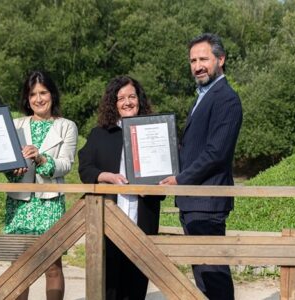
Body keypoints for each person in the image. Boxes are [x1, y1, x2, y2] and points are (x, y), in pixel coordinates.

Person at [160, 33, 243, 300]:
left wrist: (181, 179)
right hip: (193, 202)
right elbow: (194, 147)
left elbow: (216, 153)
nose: (197, 65)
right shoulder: (203, 96)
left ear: (220, 59)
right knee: (203, 275)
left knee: (213, 274)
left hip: (208, 201)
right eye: (193, 60)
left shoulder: (226, 98)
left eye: (203, 59)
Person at [78, 75, 164, 300]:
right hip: (108, 220)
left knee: (136, 285)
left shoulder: (154, 133)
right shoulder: (100, 134)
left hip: (143, 218)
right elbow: (85, 169)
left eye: (132, 96)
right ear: (113, 103)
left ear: (140, 99)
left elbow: (167, 174)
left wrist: (154, 187)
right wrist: (105, 177)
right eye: (121, 98)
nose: (127, 102)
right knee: (109, 286)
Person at [4, 71, 78, 300]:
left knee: (53, 265)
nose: (38, 99)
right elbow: (6, 164)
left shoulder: (67, 126)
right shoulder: (14, 125)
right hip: (20, 203)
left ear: (52, 95)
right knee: (19, 266)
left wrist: (41, 158)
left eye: (43, 93)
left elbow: (66, 164)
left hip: (50, 201)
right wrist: (12, 168)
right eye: (33, 94)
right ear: (27, 98)